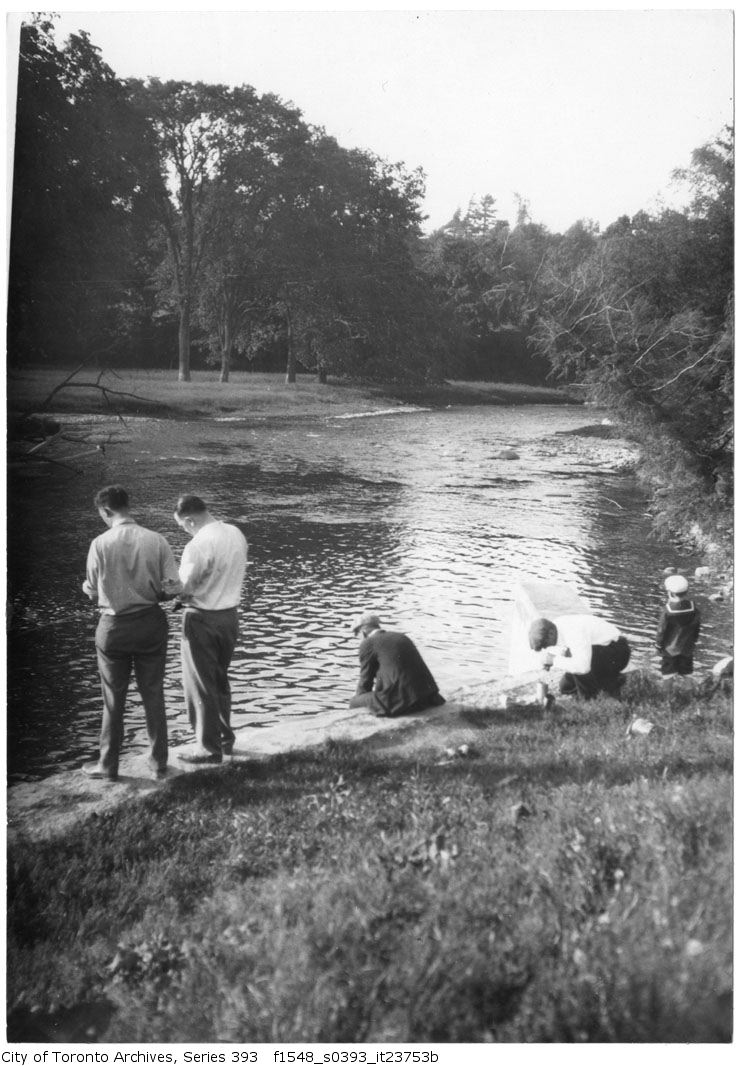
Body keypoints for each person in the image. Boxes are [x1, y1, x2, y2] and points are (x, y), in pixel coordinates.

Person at [81, 485, 180, 782]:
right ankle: (159, 762)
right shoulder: (157, 539)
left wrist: (89, 589)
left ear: (105, 511)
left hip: (113, 628)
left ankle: (108, 766)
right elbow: (173, 588)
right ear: (128, 505)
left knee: (113, 697)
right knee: (153, 693)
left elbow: (92, 589)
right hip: (150, 622)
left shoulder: (99, 543)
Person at [173, 495, 248, 764]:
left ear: (190, 519)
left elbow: (184, 587)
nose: (185, 530)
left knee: (200, 685)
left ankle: (208, 748)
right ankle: (225, 740)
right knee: (219, 680)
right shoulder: (235, 532)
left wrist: (167, 589)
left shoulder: (198, 543)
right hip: (229, 616)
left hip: (202, 618)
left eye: (183, 526)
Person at [349, 612, 445, 717]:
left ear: (363, 632)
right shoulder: (401, 637)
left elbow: (365, 681)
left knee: (354, 702)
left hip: (401, 703)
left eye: (356, 634)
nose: (357, 638)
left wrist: (359, 698)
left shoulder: (367, 643)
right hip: (428, 698)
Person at [529, 613, 631, 700]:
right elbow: (565, 649)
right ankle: (609, 682)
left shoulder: (573, 631)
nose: (546, 647)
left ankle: (589, 700)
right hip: (601, 650)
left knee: (578, 664)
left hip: (617, 652)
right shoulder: (555, 626)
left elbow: (582, 667)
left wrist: (554, 660)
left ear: (550, 634)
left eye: (545, 644)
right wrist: (552, 659)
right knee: (565, 687)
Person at [655, 574, 701, 678]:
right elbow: (697, 628)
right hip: (687, 648)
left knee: (668, 675)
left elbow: (661, 630)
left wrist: (658, 646)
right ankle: (689, 692)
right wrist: (694, 641)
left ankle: (668, 693)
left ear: (670, 593)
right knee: (687, 674)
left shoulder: (667, 611)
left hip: (670, 650)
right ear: (687, 591)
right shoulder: (694, 608)